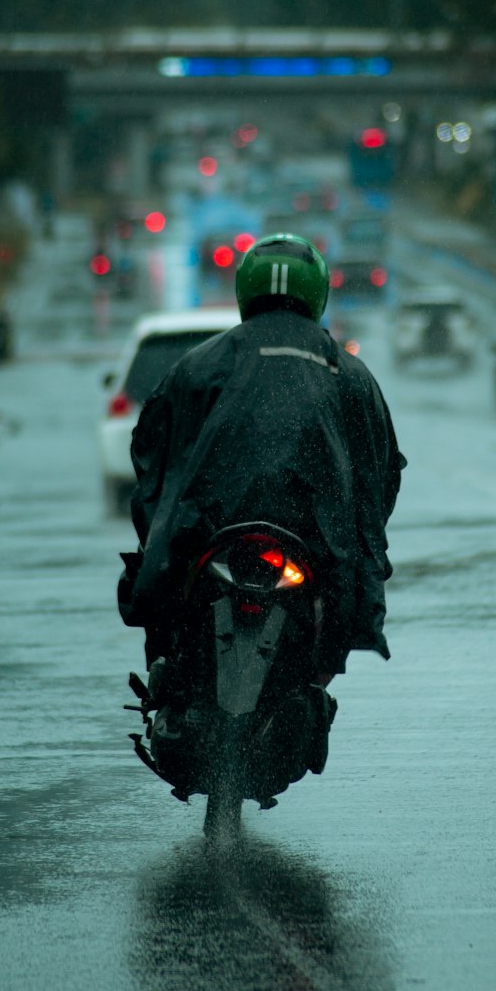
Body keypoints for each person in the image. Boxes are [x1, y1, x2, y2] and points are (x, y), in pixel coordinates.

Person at [118, 233, 405, 684]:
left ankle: (173, 677)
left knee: (166, 617)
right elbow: (381, 476)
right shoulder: (349, 373)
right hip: (311, 548)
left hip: (210, 539)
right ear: (318, 292)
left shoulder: (200, 363)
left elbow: (151, 458)